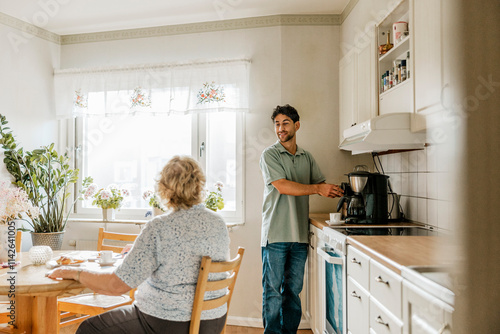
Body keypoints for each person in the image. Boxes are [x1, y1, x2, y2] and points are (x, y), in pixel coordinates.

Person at [49, 156, 230, 333]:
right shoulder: (218, 223)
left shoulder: (159, 227)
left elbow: (115, 286)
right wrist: (138, 252)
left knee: (90, 328)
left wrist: (74, 272)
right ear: (199, 185)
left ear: (165, 189)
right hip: (213, 322)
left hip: (166, 323)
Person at [259, 104, 343, 333]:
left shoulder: (306, 157)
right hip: (275, 234)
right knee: (273, 292)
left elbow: (320, 183)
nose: (280, 128)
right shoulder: (270, 154)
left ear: (297, 125)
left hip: (299, 237)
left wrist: (333, 191)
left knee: (293, 292)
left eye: (285, 123)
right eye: (277, 124)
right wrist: (317, 188)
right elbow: (283, 186)